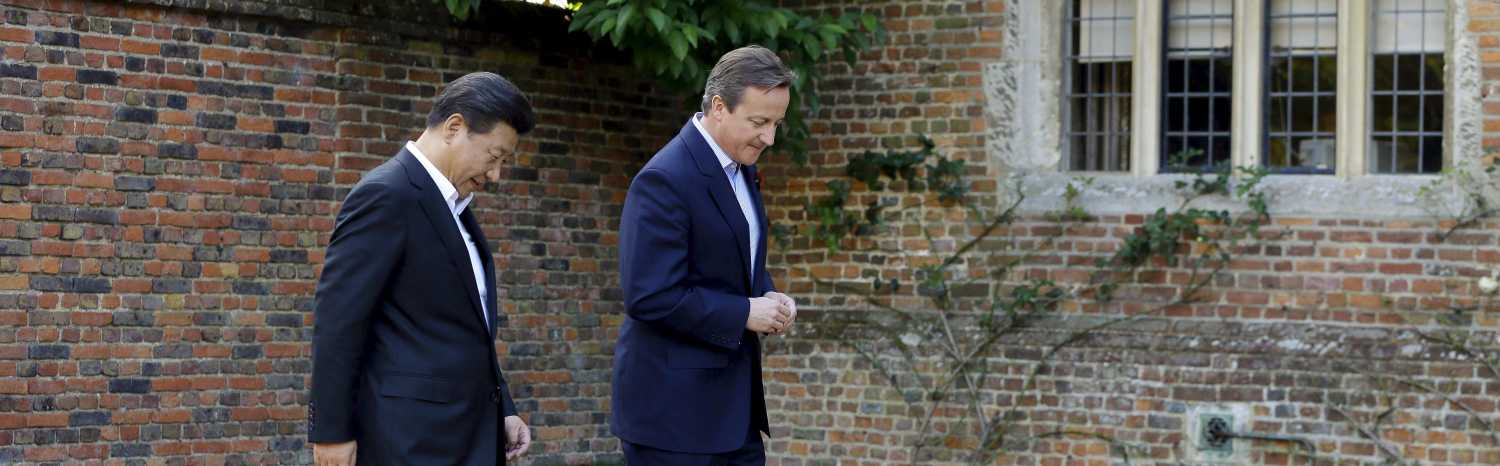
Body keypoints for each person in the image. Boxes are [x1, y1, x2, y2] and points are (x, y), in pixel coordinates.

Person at [308, 72, 534, 466]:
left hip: (466, 436)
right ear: (454, 127)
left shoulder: (454, 208)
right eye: (494, 157)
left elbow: (465, 330)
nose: (495, 175)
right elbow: (339, 322)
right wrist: (331, 433)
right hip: (410, 444)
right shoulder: (386, 195)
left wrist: (504, 407)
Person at [612, 45, 801, 465]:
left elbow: (731, 259)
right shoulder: (664, 179)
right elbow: (649, 295)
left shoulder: (742, 168)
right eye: (759, 122)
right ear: (719, 107)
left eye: (776, 123)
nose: (769, 137)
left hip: (734, 415)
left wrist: (768, 294)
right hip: (673, 421)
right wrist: (743, 313)